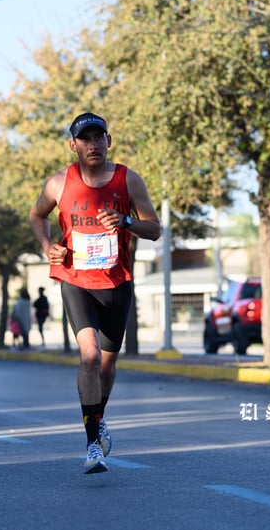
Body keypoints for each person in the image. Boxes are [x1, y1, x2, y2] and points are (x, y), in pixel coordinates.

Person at [29, 111, 161, 474]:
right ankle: (92, 445)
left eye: (98, 137)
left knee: (106, 363)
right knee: (88, 356)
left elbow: (155, 229)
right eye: (84, 139)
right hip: (75, 278)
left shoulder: (128, 180)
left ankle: (98, 415)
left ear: (108, 141)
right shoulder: (59, 183)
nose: (92, 144)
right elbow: (36, 215)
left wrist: (128, 221)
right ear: (73, 145)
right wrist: (46, 247)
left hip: (116, 282)